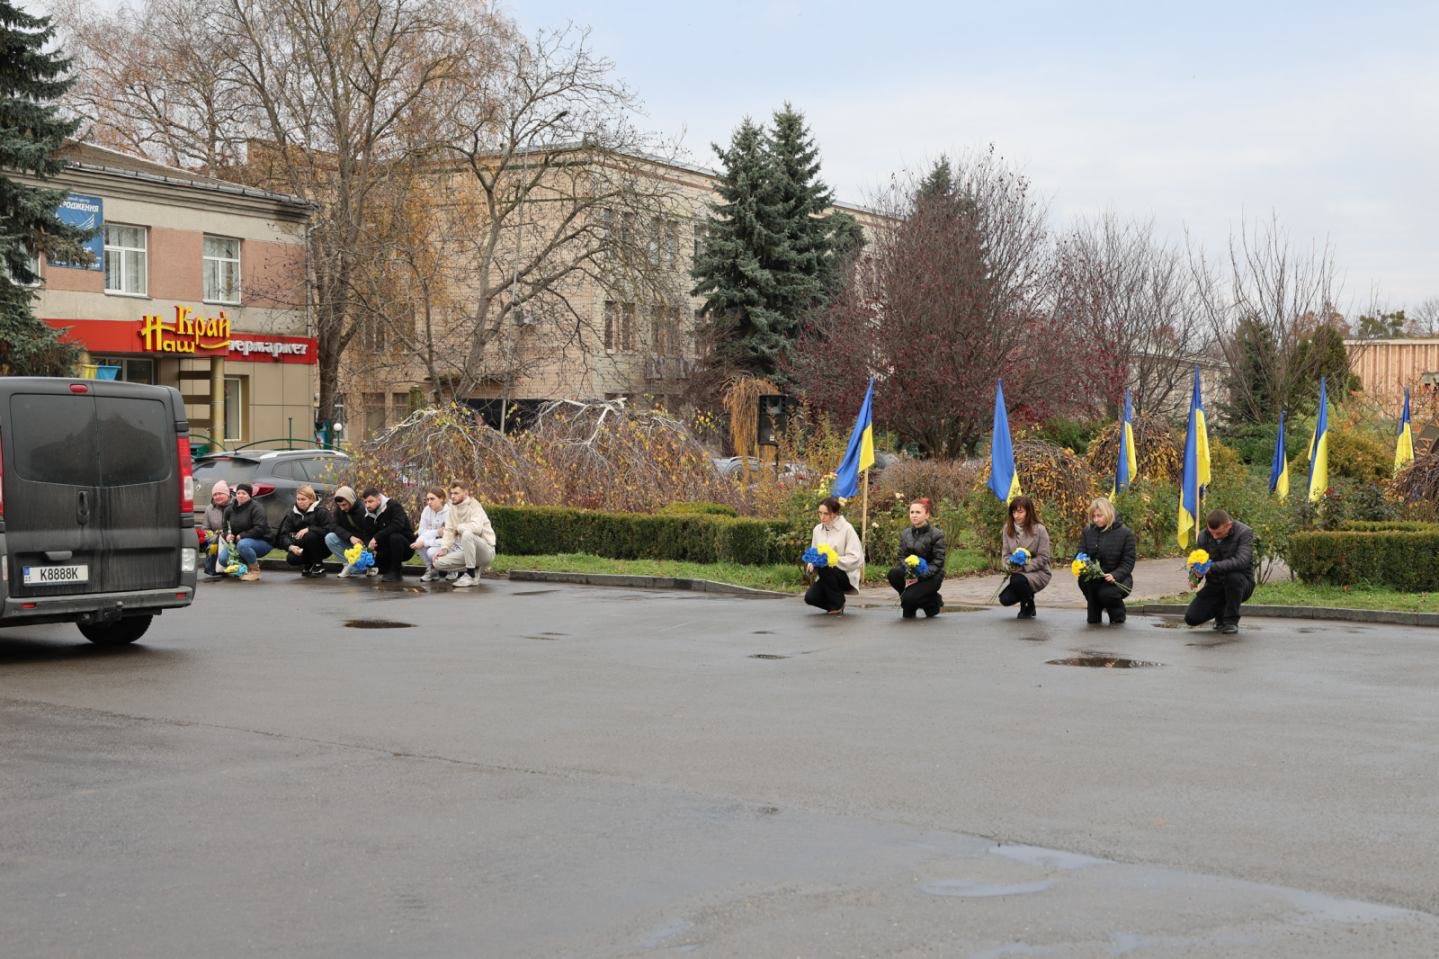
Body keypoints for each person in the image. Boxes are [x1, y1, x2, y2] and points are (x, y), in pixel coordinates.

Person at [1184, 509, 1256, 635]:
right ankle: (1220, 615)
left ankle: (1230, 622)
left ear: (1229, 525)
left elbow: (1241, 561)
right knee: (1191, 618)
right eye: (1211, 533)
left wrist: (1210, 567)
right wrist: (1194, 577)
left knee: (1233, 577)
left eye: (1218, 533)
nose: (1214, 536)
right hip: (1215, 585)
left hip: (1241, 583)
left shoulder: (1244, 532)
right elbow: (1199, 559)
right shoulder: (1203, 536)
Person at [1077, 497, 1136, 625]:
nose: (1096, 519)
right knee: (1085, 582)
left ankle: (1118, 614)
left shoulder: (1125, 534)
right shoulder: (1088, 531)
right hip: (1094, 577)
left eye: (1099, 516)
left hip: (1118, 579)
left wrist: (1115, 575)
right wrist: (1082, 564)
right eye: (1093, 516)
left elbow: (1128, 562)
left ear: (1109, 514)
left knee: (1106, 593)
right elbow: (1080, 553)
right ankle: (1094, 615)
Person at [886, 498, 947, 619]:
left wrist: (922, 574)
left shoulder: (937, 534)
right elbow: (901, 556)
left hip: (931, 576)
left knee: (908, 602)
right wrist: (909, 571)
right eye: (912, 512)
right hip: (911, 573)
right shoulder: (905, 533)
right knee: (893, 574)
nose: (914, 515)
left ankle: (931, 603)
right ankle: (926, 599)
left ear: (927, 515)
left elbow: (938, 562)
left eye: (918, 512)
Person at [803, 497, 864, 614]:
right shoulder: (817, 530)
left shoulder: (847, 529)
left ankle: (837, 603)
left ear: (835, 513)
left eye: (826, 513)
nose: (822, 517)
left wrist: (833, 560)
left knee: (825, 564)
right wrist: (811, 563)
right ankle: (835, 605)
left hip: (845, 575)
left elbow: (856, 558)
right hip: (825, 574)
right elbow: (814, 552)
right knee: (810, 598)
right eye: (820, 513)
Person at [433, 483, 497, 588]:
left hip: (486, 550)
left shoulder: (475, 505)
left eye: (456, 493)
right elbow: (449, 530)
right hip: (468, 553)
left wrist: (458, 528)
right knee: (438, 563)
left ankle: (470, 574)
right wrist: (444, 548)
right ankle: (474, 569)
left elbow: (477, 528)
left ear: (465, 493)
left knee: (467, 534)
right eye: (451, 493)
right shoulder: (453, 508)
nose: (453, 496)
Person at [998, 494, 1052, 619]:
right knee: (1005, 599)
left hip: (1038, 572)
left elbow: (1044, 557)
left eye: (1020, 512)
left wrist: (1024, 565)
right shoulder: (1007, 529)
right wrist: (1009, 565)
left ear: (1029, 512)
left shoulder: (1040, 530)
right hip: (1017, 572)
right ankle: (1029, 599)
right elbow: (1005, 554)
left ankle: (1027, 606)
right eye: (1014, 512)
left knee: (1017, 580)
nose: (1016, 516)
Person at [217, 482, 272, 583]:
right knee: (223, 559)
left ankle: (255, 571)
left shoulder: (257, 508)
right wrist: (227, 535)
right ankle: (244, 568)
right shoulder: (229, 509)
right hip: (239, 542)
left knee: (243, 544)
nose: (240, 495)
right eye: (238, 493)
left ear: (249, 495)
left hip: (262, 542)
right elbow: (224, 527)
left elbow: (260, 528)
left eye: (244, 493)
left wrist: (242, 536)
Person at [276, 485, 332, 577]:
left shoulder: (321, 511)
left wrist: (309, 529)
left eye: (303, 499)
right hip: (301, 546)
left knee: (309, 536)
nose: (300, 502)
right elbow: (283, 535)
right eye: (298, 499)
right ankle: (309, 564)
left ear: (311, 499)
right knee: (291, 559)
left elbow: (329, 529)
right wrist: (291, 546)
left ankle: (318, 564)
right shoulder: (292, 514)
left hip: (323, 547)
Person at [325, 486, 376, 578]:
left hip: (365, 545)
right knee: (330, 538)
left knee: (367, 555)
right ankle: (350, 566)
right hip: (351, 542)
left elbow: (370, 532)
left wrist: (366, 547)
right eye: (339, 505)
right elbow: (333, 526)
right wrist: (350, 537)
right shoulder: (339, 511)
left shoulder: (363, 510)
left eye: (344, 505)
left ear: (351, 500)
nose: (342, 508)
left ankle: (364, 566)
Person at [412, 487, 452, 582]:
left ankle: (453, 569)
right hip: (435, 539)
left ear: (441, 498)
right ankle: (432, 570)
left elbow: (449, 536)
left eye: (432, 499)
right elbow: (421, 531)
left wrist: (428, 537)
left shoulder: (450, 512)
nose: (429, 502)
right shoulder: (427, 510)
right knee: (418, 541)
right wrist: (437, 532)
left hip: (448, 543)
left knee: (430, 551)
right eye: (427, 499)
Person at [201, 480, 231, 579]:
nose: (217, 497)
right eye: (215, 495)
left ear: (227, 494)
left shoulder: (235, 506)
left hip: (231, 538)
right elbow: (205, 528)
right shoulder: (209, 509)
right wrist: (214, 537)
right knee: (213, 545)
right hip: (216, 539)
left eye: (220, 494)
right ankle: (213, 569)